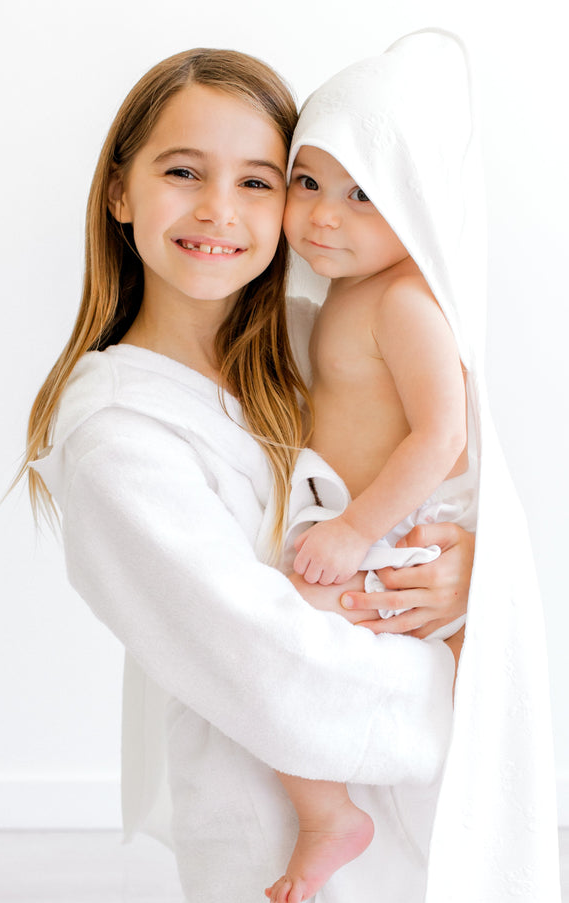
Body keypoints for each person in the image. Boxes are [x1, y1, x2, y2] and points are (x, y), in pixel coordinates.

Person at [16, 38, 556, 903]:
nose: (220, 210)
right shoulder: (118, 433)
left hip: (419, 824)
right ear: (121, 191)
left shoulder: (313, 341)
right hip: (272, 827)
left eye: (259, 180)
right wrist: (464, 681)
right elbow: (253, 648)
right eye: (183, 172)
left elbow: (449, 470)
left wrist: (461, 578)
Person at [267, 28, 559, 903]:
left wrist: (357, 530)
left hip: (395, 532)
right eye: (306, 182)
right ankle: (340, 818)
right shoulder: (337, 295)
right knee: (281, 660)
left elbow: (440, 435)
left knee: (286, 647)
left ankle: (337, 821)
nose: (323, 214)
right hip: (363, 525)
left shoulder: (402, 301)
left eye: (363, 195)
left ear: (421, 202)